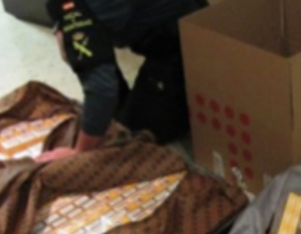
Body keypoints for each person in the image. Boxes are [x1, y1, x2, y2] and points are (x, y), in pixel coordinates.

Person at [39, 0, 204, 162]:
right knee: (111, 114)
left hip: (190, 46)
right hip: (179, 26)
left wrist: (80, 151)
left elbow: (102, 88)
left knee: (131, 135)